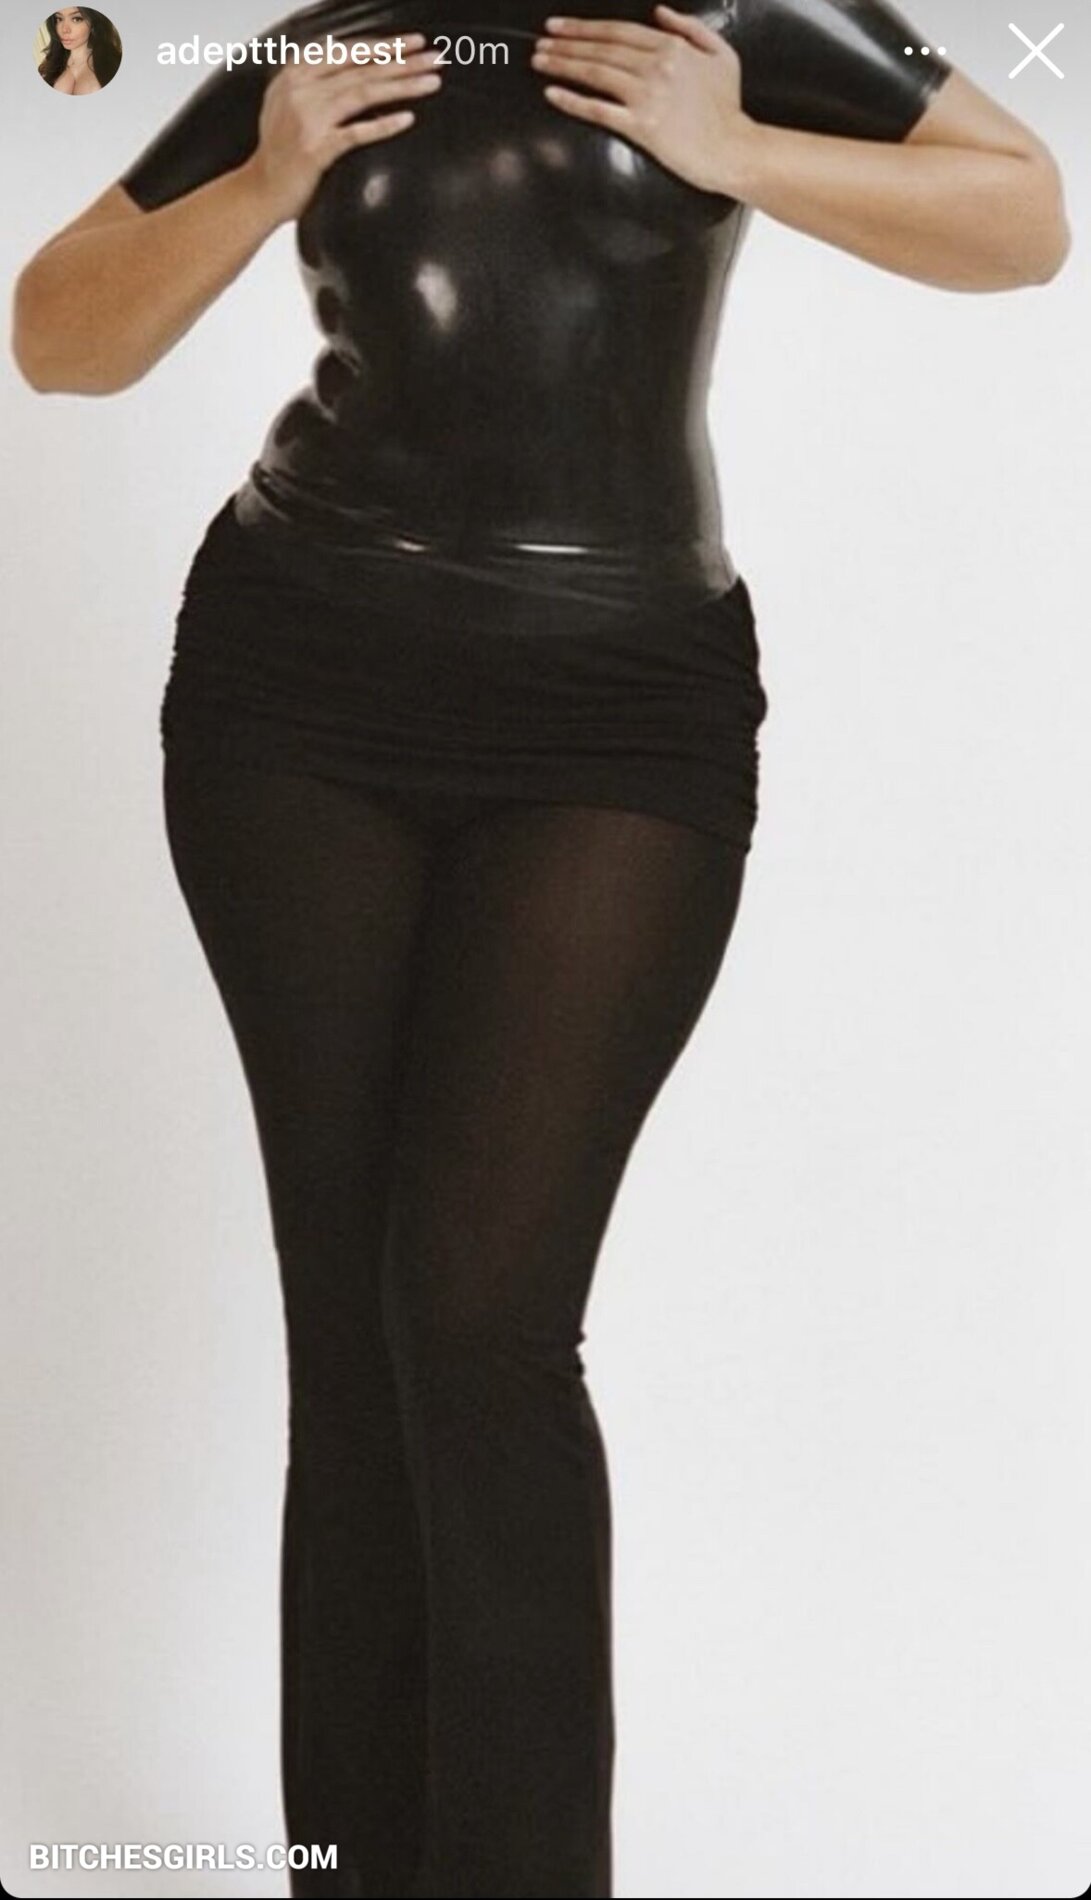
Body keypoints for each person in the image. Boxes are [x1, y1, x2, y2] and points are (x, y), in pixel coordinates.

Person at [12, 3, 1069, 1894]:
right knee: (353, 1343)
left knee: (478, 1323)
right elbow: (58, 335)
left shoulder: (727, 18)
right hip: (295, 695)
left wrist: (733, 149)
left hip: (621, 708)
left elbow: (1021, 216)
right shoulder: (337, 38)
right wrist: (260, 182)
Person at [38, 7, 121, 93]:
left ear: (93, 22)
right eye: (59, 19)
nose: (64, 30)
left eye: (76, 19)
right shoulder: (48, 66)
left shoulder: (116, 66)